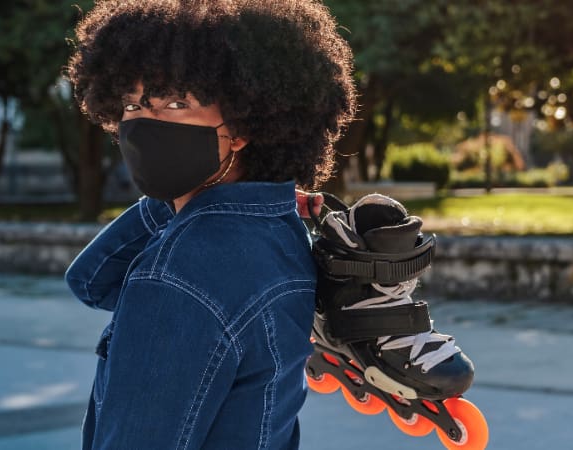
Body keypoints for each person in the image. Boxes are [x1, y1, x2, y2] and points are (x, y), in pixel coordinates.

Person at [63, 1, 355, 448]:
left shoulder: (177, 275)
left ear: (242, 125)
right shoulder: (276, 228)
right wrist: (174, 201)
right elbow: (91, 281)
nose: (143, 124)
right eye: (131, 104)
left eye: (176, 102)